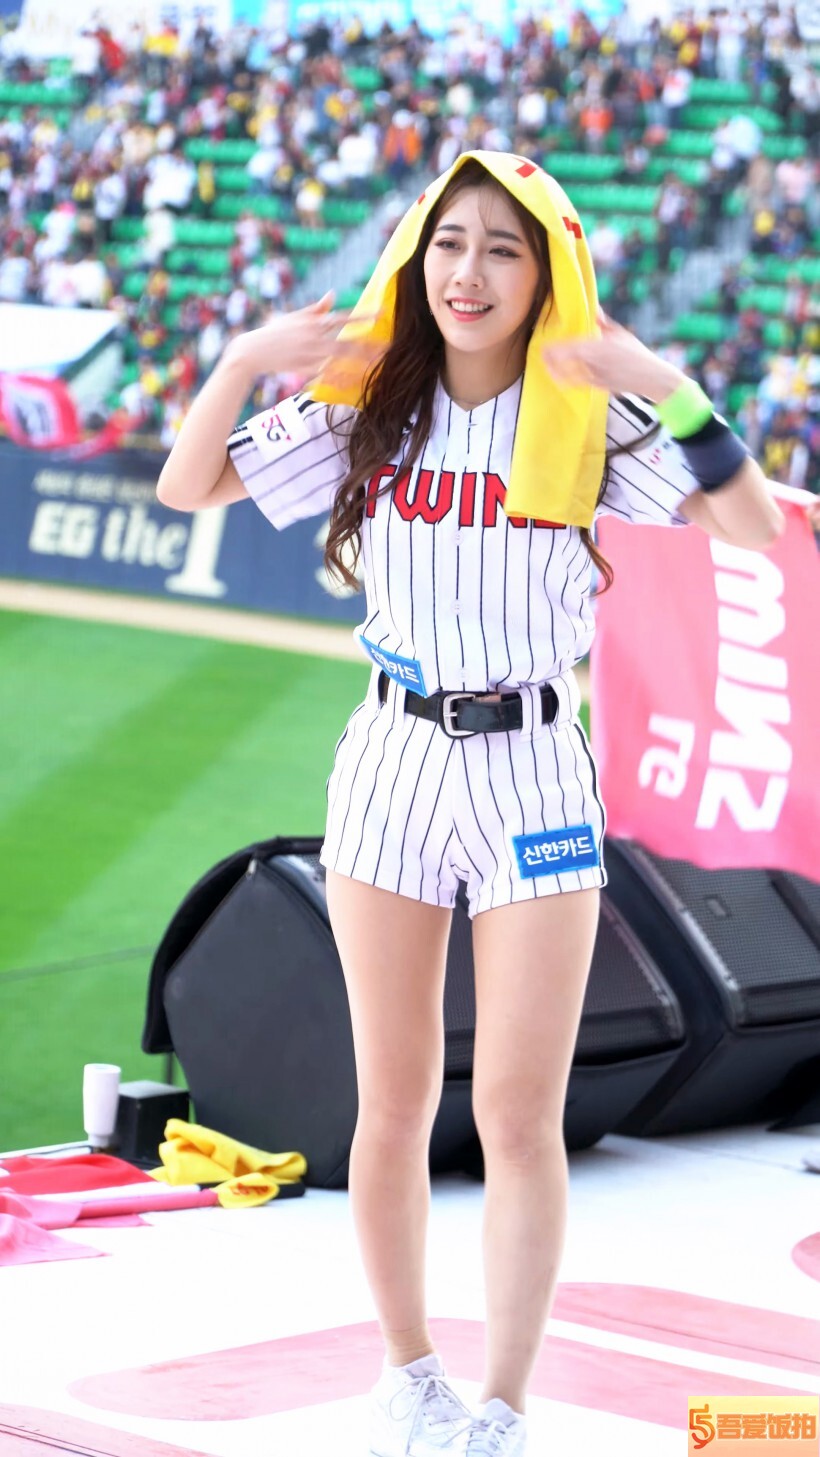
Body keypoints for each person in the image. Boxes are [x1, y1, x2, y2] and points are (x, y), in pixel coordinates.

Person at [156, 152, 785, 1457]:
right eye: (450, 243)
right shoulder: (369, 405)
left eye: (504, 248)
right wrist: (249, 357)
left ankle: (502, 1402)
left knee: (516, 1113)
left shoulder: (588, 418)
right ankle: (408, 1373)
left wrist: (665, 384)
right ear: (416, 259)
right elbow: (188, 485)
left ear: (544, 276)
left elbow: (750, 526)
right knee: (390, 1102)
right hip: (391, 760)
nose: (470, 271)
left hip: (536, 768)